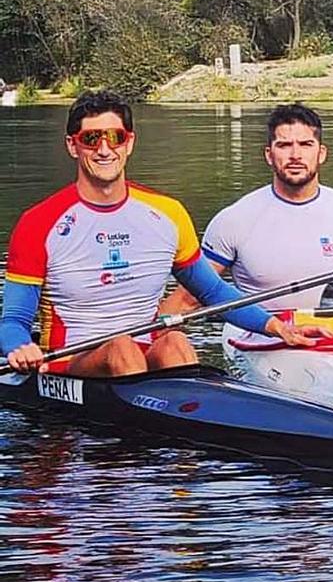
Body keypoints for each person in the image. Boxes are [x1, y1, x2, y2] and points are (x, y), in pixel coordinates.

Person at [1, 91, 313, 376]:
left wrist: (275, 327)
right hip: (70, 361)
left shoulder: (168, 214)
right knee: (121, 348)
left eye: (115, 137)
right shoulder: (38, 224)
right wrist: (19, 347)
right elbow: (14, 319)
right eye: (92, 138)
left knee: (175, 342)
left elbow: (213, 292)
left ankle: (192, 426)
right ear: (73, 145)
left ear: (130, 142)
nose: (105, 149)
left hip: (144, 355)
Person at [163, 102, 333, 317]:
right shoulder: (233, 221)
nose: (295, 155)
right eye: (284, 146)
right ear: (269, 155)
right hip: (264, 339)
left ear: (321, 153)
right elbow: (189, 297)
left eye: (305, 144)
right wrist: (139, 343)